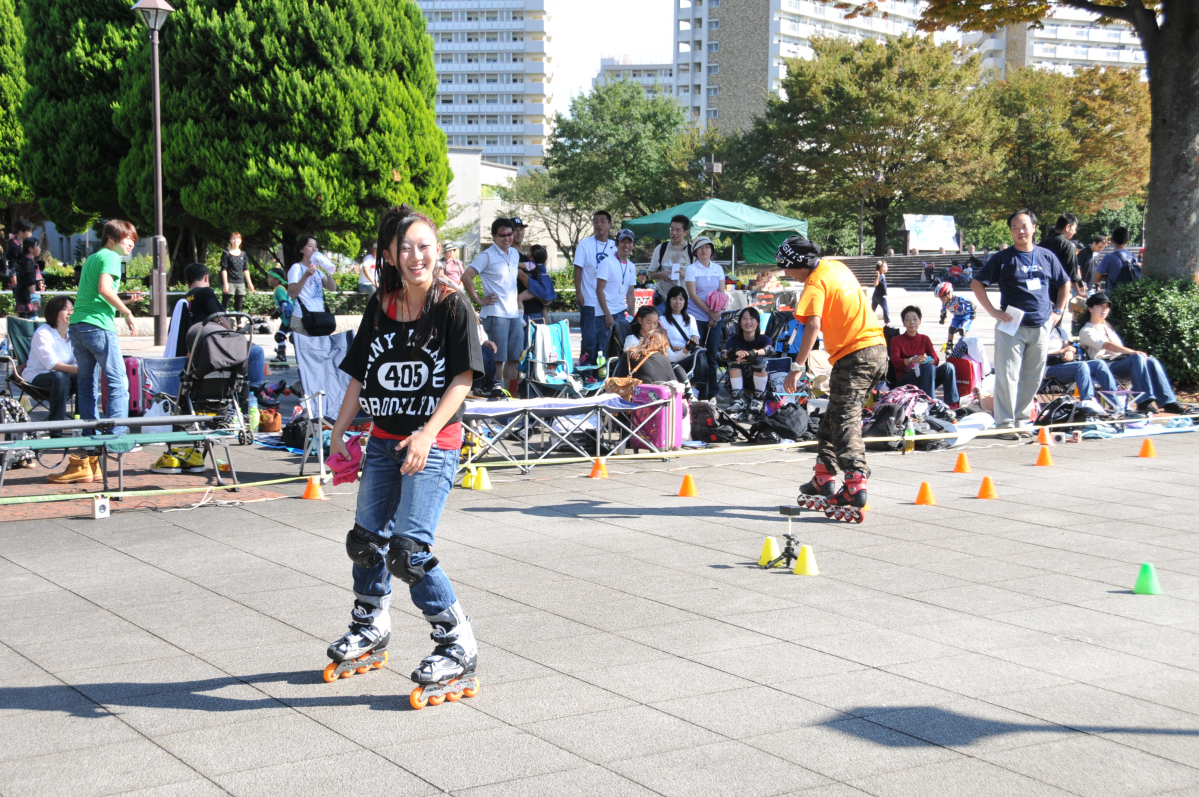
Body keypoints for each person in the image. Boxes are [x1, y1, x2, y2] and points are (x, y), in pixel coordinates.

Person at [328, 203, 482, 692]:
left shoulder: (453, 305)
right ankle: (370, 625)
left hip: (434, 443)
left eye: (424, 246)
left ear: (438, 250)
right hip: (383, 441)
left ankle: (456, 642)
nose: (417, 256)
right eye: (405, 248)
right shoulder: (382, 304)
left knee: (408, 552)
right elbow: (360, 375)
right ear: (390, 255)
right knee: (365, 543)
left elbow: (462, 379)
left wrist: (427, 433)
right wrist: (339, 430)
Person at [779, 235, 887, 516]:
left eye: (787, 267)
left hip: (856, 355)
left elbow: (813, 325)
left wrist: (797, 367)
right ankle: (823, 476)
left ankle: (855, 483)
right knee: (833, 415)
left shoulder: (815, 282)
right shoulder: (836, 267)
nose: (787, 273)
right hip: (876, 350)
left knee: (845, 418)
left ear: (800, 263)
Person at [971, 209, 1071, 438]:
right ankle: (1005, 424)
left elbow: (1065, 283)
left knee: (1033, 377)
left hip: (1042, 325)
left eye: (1024, 226)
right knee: (1008, 376)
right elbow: (977, 283)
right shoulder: (1003, 258)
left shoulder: (1046, 256)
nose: (1020, 231)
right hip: (1012, 326)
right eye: (1014, 228)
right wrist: (992, 311)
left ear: (1034, 228)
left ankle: (1022, 420)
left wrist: (1058, 311)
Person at [69, 219, 137, 435]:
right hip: (98, 326)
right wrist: (127, 312)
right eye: (128, 238)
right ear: (111, 237)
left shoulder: (92, 258)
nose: (132, 243)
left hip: (78, 326)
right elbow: (104, 289)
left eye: (134, 239)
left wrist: (123, 302)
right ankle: (116, 437)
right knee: (118, 382)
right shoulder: (111, 257)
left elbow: (95, 294)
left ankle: (90, 436)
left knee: (86, 383)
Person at [1078, 292, 1187, 414]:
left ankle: (1168, 402)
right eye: (1100, 306)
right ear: (1090, 308)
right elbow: (1107, 345)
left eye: (1107, 306)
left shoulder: (1107, 327)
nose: (1104, 310)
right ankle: (1143, 402)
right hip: (1106, 366)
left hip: (1122, 362)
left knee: (1151, 361)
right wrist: (1132, 352)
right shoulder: (1086, 330)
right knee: (1137, 357)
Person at [464, 218, 522, 396]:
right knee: (498, 359)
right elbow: (466, 276)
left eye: (509, 234)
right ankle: (497, 395)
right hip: (496, 314)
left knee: (514, 358)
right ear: (494, 236)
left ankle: (511, 397)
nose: (507, 238)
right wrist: (478, 300)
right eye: (502, 235)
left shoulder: (514, 253)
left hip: (514, 314)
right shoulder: (487, 255)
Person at [889, 306, 960, 407]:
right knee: (929, 368)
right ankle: (930, 403)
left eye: (914, 319)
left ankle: (952, 403)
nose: (911, 322)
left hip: (926, 377)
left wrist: (930, 360)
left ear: (919, 321)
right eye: (908, 320)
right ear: (904, 323)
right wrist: (912, 360)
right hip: (905, 380)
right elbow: (896, 362)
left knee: (948, 367)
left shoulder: (924, 339)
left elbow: (936, 359)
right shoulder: (896, 340)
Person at [25, 295, 78, 431]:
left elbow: (78, 361)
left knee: (85, 377)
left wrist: (84, 369)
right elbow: (53, 364)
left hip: (64, 378)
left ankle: (83, 424)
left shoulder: (73, 333)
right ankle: (56, 429)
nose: (70, 313)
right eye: (65, 309)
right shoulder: (43, 333)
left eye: (72, 309)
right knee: (60, 376)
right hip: (38, 377)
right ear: (54, 312)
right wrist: (81, 369)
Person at [572, 210, 616, 369]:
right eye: (596, 221)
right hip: (589, 300)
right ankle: (585, 372)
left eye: (603, 221)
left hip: (608, 302)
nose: (599, 224)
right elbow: (578, 269)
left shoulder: (615, 246)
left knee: (607, 341)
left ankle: (604, 373)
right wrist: (579, 292)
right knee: (589, 340)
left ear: (610, 225)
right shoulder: (585, 244)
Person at [684, 235, 726, 401]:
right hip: (696, 317)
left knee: (712, 355)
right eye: (700, 247)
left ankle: (714, 391)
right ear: (695, 251)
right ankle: (697, 391)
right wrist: (710, 313)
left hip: (715, 317)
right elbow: (693, 295)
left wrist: (716, 314)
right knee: (697, 354)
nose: (704, 250)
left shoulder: (718, 269)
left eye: (707, 247)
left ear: (712, 251)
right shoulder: (691, 269)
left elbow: (721, 293)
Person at [1043, 317, 1117, 402]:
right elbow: (1036, 355)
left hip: (1065, 364)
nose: (1054, 317)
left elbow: (1068, 347)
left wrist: (1070, 352)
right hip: (1047, 367)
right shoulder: (1038, 331)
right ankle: (1088, 401)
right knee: (1081, 366)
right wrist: (1062, 351)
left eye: (1057, 314)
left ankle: (1115, 401)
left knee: (1099, 364)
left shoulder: (1059, 330)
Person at [660, 285, 709, 398]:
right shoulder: (662, 320)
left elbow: (695, 337)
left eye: (681, 299)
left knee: (701, 355)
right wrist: (684, 348)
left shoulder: (691, 319)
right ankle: (693, 392)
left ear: (685, 301)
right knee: (699, 357)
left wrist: (693, 342)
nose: (678, 302)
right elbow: (666, 345)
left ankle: (695, 391)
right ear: (669, 300)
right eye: (674, 298)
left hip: (689, 354)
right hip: (673, 354)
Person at [724, 306, 774, 414]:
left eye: (752, 319)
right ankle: (738, 400)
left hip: (760, 378)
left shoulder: (764, 339)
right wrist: (733, 353)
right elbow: (722, 354)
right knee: (733, 360)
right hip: (738, 377)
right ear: (740, 322)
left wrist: (752, 353)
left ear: (758, 323)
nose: (748, 322)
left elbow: (769, 350)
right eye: (745, 318)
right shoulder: (734, 339)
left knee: (760, 360)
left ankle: (758, 399)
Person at [287, 235, 338, 336]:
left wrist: (327, 268)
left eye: (316, 246)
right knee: (305, 346)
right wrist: (306, 276)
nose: (314, 249)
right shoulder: (297, 268)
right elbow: (292, 293)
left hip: (318, 317)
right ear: (301, 250)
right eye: (310, 246)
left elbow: (332, 288)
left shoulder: (318, 272)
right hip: (302, 316)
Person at [596, 228, 637, 338]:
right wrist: (607, 315)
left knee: (621, 345)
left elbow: (630, 294)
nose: (626, 245)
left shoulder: (631, 266)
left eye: (629, 242)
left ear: (633, 245)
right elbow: (599, 290)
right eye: (623, 242)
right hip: (604, 314)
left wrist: (632, 316)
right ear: (616, 244)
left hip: (621, 312)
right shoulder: (607, 262)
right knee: (606, 346)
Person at [646, 214, 692, 310]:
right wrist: (661, 274)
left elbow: (699, 276)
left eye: (678, 230)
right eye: (672, 229)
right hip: (663, 299)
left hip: (684, 301)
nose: (674, 233)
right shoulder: (661, 248)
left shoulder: (692, 251)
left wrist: (685, 274)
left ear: (686, 232)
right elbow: (651, 275)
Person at [613, 323, 678, 384]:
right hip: (647, 391)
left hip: (623, 391)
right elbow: (674, 383)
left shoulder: (626, 354)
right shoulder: (660, 358)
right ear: (663, 345)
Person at [1039, 213, 1080, 290]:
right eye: (1074, 228)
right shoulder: (1068, 245)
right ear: (1067, 227)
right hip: (1060, 289)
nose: (1075, 232)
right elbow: (1072, 272)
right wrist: (1079, 290)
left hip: (1042, 287)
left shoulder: (1041, 244)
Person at [517, 243, 555, 325]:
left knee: (519, 298)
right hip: (545, 288)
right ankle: (545, 327)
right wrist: (531, 251)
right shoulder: (542, 265)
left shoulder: (531, 265)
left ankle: (520, 319)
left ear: (531, 258)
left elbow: (518, 264)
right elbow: (533, 256)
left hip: (537, 288)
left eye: (529, 252)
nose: (527, 253)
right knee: (544, 309)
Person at [1093, 227, 1140, 292]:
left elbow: (1096, 279)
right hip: (1129, 294)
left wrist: (1105, 277)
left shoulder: (1108, 258)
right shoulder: (1133, 257)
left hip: (1113, 295)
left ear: (1112, 241)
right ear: (1127, 241)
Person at [219, 232, 255, 312]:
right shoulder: (226, 253)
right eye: (234, 239)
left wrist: (249, 283)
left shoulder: (243, 254)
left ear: (241, 241)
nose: (236, 241)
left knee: (238, 306)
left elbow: (245, 269)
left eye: (238, 239)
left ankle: (238, 319)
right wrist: (225, 283)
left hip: (240, 281)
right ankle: (221, 318)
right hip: (230, 281)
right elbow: (224, 269)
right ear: (230, 240)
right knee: (225, 304)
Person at [936, 282, 977, 350]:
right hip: (957, 317)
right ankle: (949, 344)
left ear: (948, 294)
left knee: (962, 330)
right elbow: (943, 311)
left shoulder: (959, 298)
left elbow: (971, 303)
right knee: (951, 329)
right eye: (940, 298)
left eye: (942, 297)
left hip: (966, 315)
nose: (941, 300)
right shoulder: (944, 303)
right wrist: (943, 318)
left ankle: (965, 345)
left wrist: (973, 312)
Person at [266, 268, 292, 364]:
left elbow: (284, 304)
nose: (268, 279)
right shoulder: (278, 289)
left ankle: (302, 356)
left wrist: (277, 313)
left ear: (277, 280)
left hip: (290, 317)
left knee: (294, 339)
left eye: (270, 277)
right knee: (279, 336)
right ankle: (281, 356)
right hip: (286, 319)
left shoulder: (279, 290)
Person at [14, 237, 42, 319]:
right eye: (37, 246)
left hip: (24, 293)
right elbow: (30, 280)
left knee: (25, 317)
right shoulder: (28, 261)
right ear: (30, 249)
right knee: (29, 318)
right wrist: (34, 296)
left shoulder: (27, 260)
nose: (39, 248)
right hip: (26, 294)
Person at [5, 218, 32, 289]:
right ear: (20, 232)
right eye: (29, 231)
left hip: (24, 280)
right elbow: (12, 266)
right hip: (18, 281)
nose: (31, 234)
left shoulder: (23, 245)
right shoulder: (14, 246)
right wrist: (16, 286)